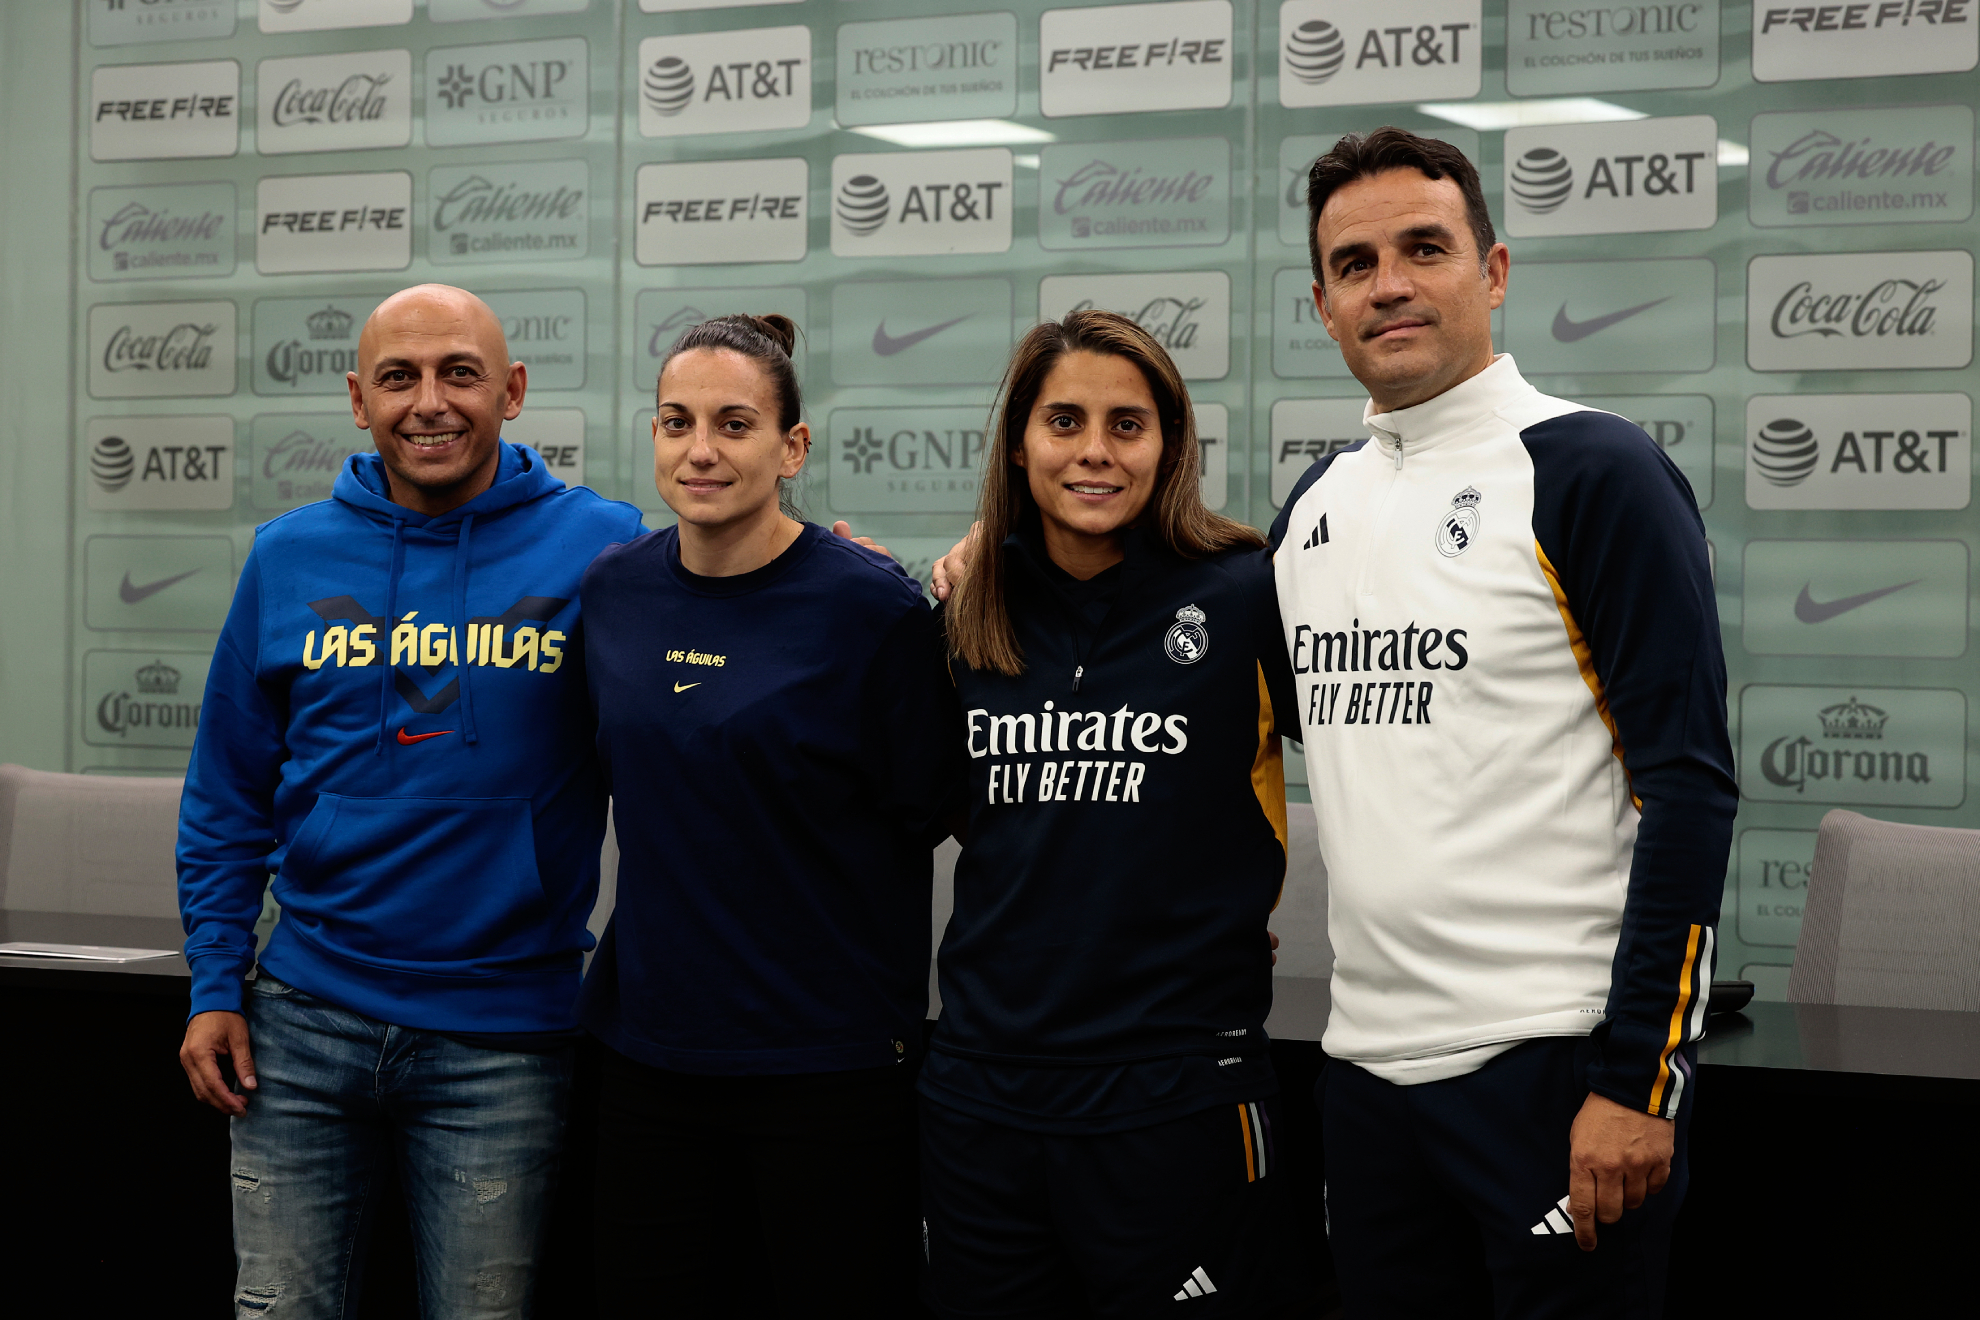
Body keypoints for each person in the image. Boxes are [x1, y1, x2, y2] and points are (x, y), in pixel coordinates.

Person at [1271, 129, 1737, 1316]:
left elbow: (1687, 786)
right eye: (1356, 261)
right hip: (1363, 1076)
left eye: (1425, 247)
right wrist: (996, 563)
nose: (1390, 283)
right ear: (1320, 304)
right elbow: (1186, 675)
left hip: (1557, 1073)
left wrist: (1639, 1079)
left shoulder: (1593, 470)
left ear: (1494, 269)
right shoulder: (1317, 503)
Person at [176, 284, 646, 1317]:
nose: (428, 402)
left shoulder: (603, 549)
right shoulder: (286, 556)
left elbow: (729, 622)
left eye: (459, 374)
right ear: (358, 399)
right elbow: (225, 794)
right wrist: (215, 981)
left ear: (512, 390)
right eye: (399, 377)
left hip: (505, 1037)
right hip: (298, 1029)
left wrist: (850, 574)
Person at [578, 313, 965, 1318]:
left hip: (828, 1072)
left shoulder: (871, 610)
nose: (700, 450)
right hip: (648, 1064)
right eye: (676, 422)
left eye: (734, 423)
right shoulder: (613, 593)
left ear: (792, 447)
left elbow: (927, 811)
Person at [922, 310, 1300, 1316]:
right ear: (1019, 442)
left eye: (1128, 424)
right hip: (983, 1096)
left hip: (1177, 1094)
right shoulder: (964, 612)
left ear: (1169, 444)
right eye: (1065, 422)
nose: (1095, 451)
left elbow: (1393, 758)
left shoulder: (1246, 595)